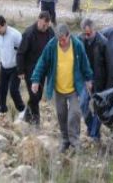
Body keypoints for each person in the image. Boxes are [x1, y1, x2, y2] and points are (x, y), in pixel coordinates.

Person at [31, 23, 93, 153]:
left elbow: (85, 63)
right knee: (61, 115)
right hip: (59, 88)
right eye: (59, 39)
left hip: (74, 88)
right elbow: (42, 62)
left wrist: (88, 79)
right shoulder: (52, 45)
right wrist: (35, 80)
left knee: (74, 114)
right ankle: (65, 140)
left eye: (63, 39)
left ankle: (75, 142)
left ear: (69, 35)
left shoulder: (77, 46)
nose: (61, 42)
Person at [16, 11, 55, 126]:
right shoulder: (29, 33)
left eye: (47, 25)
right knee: (34, 95)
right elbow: (20, 53)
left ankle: (27, 116)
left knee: (37, 96)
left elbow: (54, 47)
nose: (45, 27)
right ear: (39, 20)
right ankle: (36, 122)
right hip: (30, 69)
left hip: (43, 69)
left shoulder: (50, 32)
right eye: (44, 25)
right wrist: (20, 70)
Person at [0, 15, 25, 119]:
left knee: (13, 90)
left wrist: (22, 69)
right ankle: (2, 109)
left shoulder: (16, 35)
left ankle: (22, 110)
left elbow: (22, 51)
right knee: (1, 89)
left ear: (5, 24)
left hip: (15, 68)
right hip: (4, 66)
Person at [78, 18, 108, 141]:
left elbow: (108, 64)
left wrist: (107, 84)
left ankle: (95, 135)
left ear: (94, 30)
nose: (87, 36)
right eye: (85, 33)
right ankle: (91, 127)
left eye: (89, 33)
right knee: (83, 104)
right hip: (85, 80)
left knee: (98, 109)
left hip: (100, 80)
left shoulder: (103, 42)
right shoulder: (79, 40)